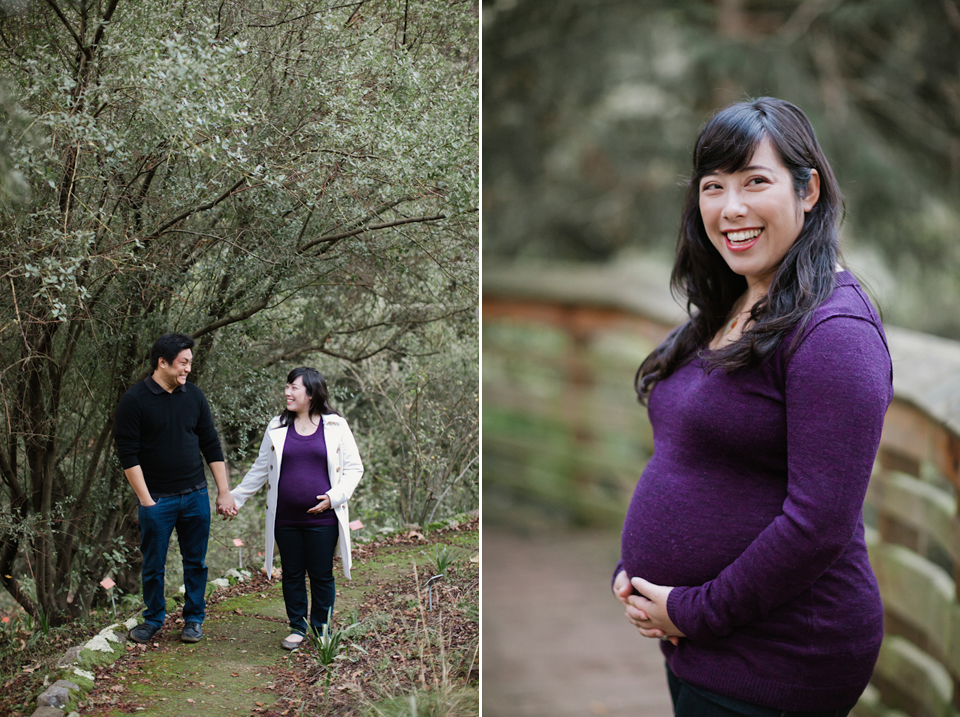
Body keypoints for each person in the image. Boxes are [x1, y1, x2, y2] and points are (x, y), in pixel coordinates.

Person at [612, 97, 893, 716]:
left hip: (783, 654)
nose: (731, 207)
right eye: (714, 187)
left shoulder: (834, 331)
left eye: (754, 182)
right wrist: (632, 568)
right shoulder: (732, 306)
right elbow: (691, 455)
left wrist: (692, 610)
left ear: (808, 190)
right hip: (705, 643)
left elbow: (818, 523)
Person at [114, 333, 237, 644]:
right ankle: (153, 619)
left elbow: (210, 444)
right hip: (157, 500)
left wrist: (223, 491)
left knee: (196, 562)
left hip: (195, 495)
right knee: (153, 565)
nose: (188, 370)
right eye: (183, 363)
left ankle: (194, 619)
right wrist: (146, 501)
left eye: (190, 363)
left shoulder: (194, 396)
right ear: (162, 362)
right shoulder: (134, 401)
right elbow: (128, 455)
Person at [229, 366, 363, 650]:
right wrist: (235, 498)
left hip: (323, 518)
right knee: (291, 572)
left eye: (294, 387)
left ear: (311, 394)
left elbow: (354, 468)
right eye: (287, 386)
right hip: (285, 517)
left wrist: (334, 497)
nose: (287, 392)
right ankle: (297, 627)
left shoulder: (336, 425)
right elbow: (260, 470)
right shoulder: (276, 426)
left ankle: (322, 627)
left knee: (321, 573)